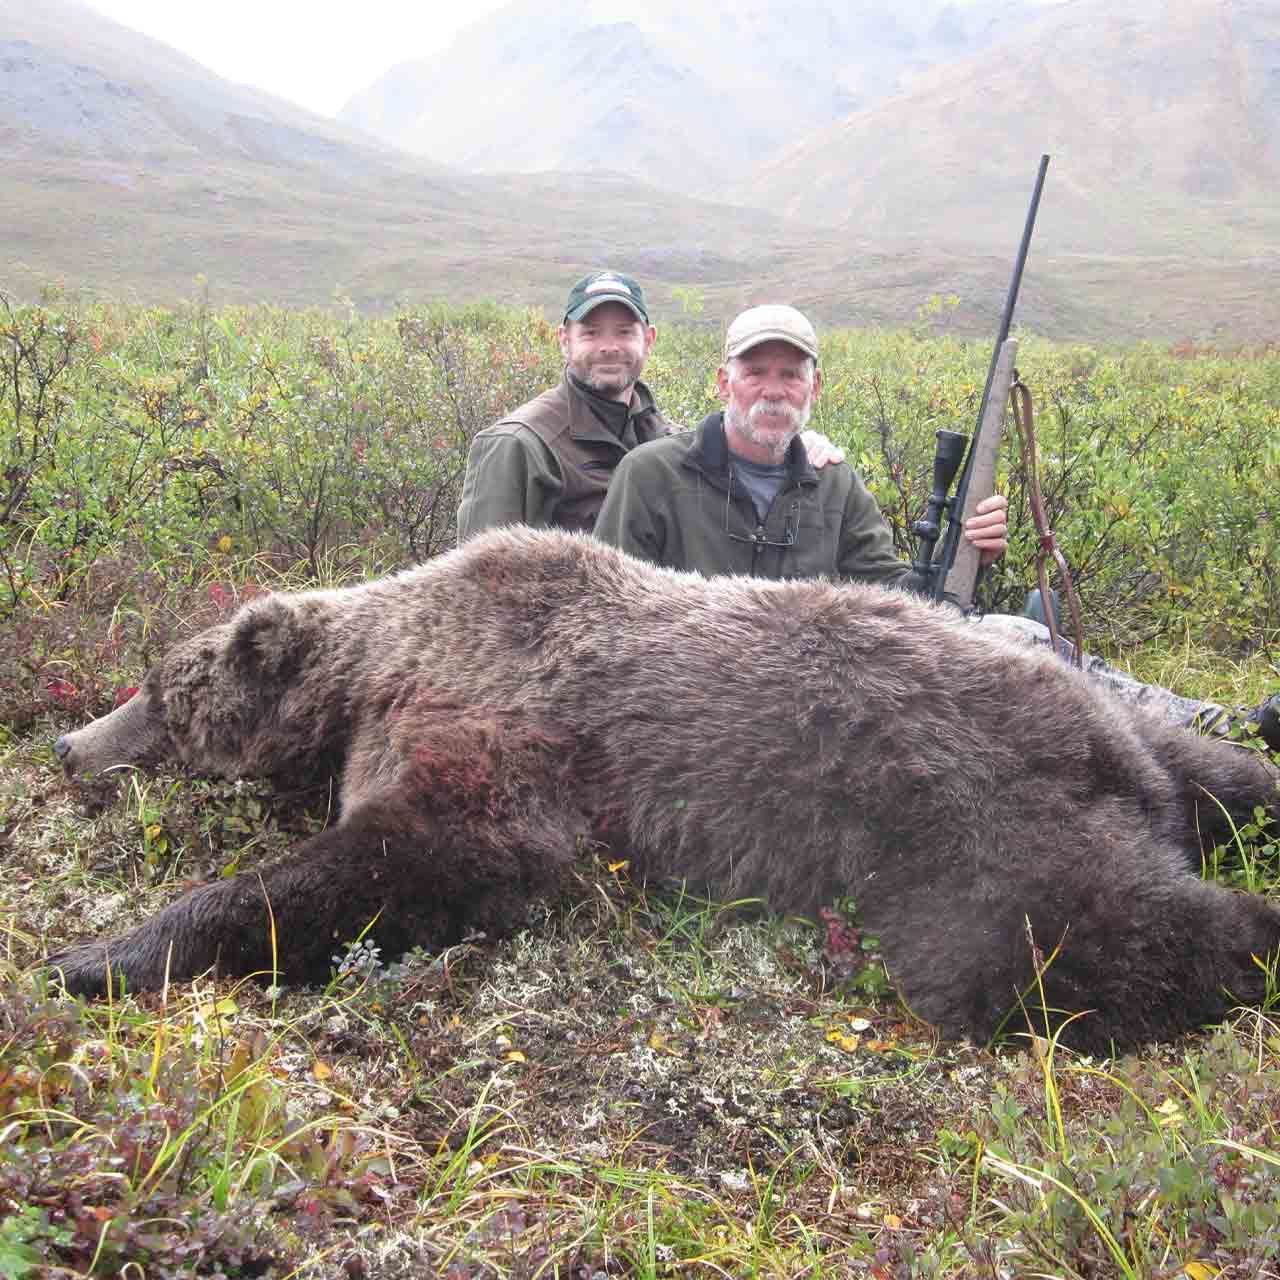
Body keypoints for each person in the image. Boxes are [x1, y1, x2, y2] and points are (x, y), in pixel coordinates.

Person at [593, 303, 1280, 746]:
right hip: (700, 701)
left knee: (1020, 638)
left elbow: (900, 597)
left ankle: (1223, 732)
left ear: (814, 387)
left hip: (830, 690)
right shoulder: (652, 475)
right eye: (756, 372)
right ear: (725, 382)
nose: (773, 389)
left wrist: (968, 552)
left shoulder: (835, 480)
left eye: (790, 374)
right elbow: (614, 620)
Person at [456, 272, 843, 540]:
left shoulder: (671, 440)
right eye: (591, 333)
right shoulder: (518, 445)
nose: (609, 346)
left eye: (624, 332)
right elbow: (480, 589)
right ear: (564, 340)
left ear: (649, 339)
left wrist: (793, 445)